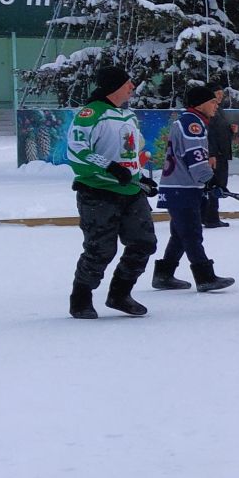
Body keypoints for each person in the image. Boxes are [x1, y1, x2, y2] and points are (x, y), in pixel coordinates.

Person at [66, 62, 158, 319]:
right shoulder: (90, 113)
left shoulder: (128, 116)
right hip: (97, 193)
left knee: (144, 243)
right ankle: (80, 298)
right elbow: (76, 151)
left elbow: (132, 155)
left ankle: (120, 294)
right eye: (127, 82)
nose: (132, 86)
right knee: (100, 250)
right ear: (114, 86)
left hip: (131, 194)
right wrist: (109, 167)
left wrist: (141, 180)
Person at [151, 84, 236, 293]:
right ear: (200, 104)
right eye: (212, 101)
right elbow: (195, 157)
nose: (216, 105)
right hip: (183, 188)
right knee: (191, 233)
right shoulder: (192, 124)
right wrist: (211, 180)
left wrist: (207, 183)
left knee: (181, 233)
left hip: (181, 187)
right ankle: (205, 277)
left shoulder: (190, 121)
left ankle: (164, 275)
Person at [201, 82, 234, 228]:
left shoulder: (219, 110)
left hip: (221, 153)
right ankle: (211, 218)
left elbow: (219, 131)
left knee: (216, 185)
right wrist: (211, 153)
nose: (221, 97)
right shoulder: (207, 112)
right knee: (213, 186)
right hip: (214, 155)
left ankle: (207, 216)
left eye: (222, 94)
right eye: (217, 94)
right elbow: (208, 134)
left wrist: (231, 130)